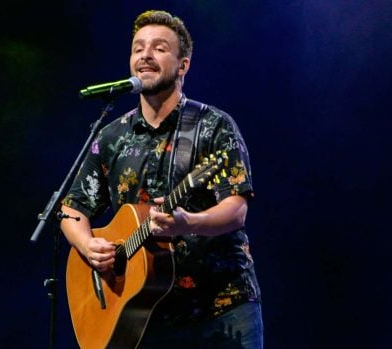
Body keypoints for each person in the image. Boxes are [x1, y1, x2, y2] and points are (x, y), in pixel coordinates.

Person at [60, 9, 263, 348]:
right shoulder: (111, 136)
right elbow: (71, 209)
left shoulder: (214, 126)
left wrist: (188, 222)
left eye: (159, 48)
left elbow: (237, 209)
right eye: (138, 48)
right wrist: (87, 246)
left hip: (221, 308)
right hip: (145, 316)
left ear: (183, 65)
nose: (145, 56)